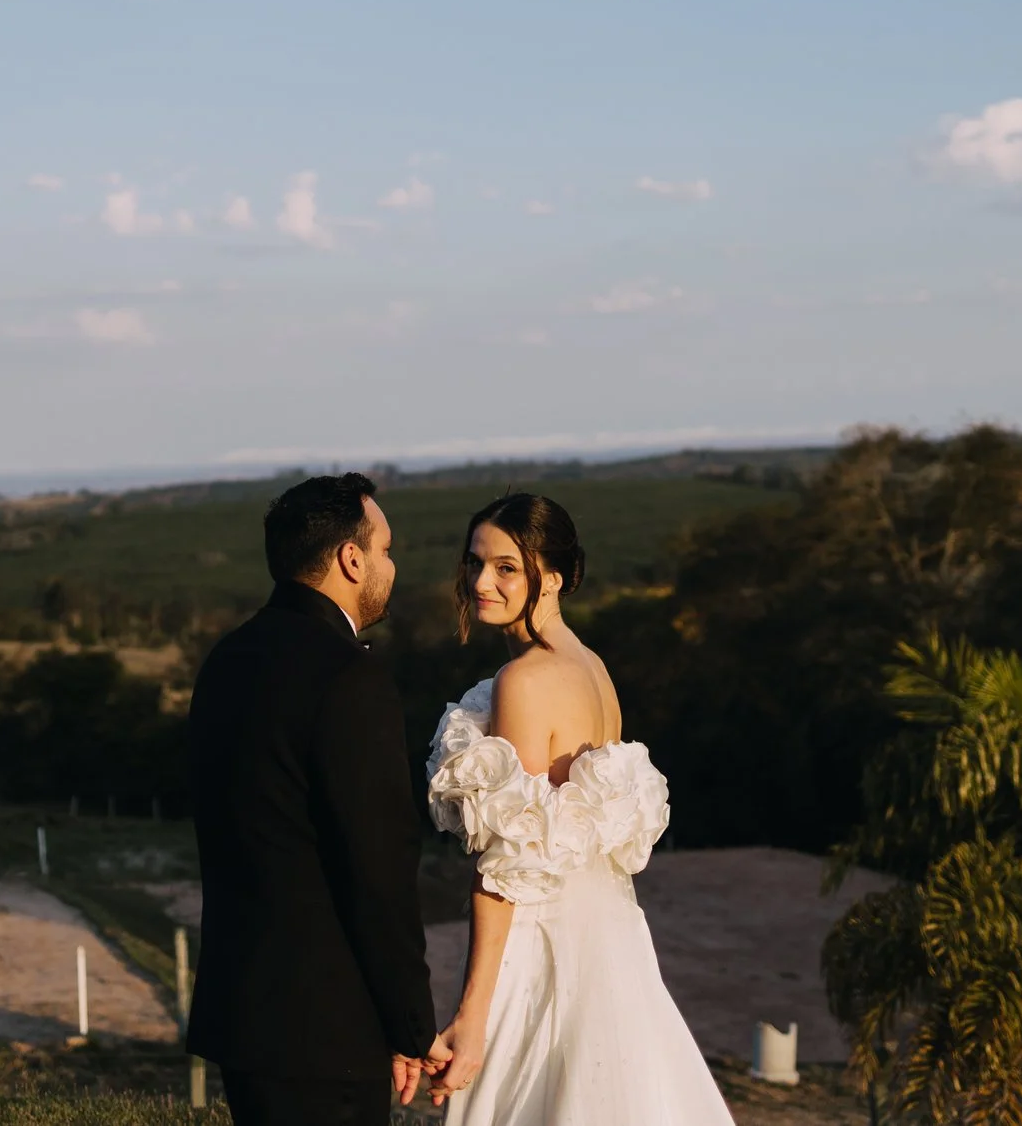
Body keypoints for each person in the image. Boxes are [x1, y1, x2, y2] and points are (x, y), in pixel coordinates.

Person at [423, 492, 733, 1124]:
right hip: (611, 938)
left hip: (546, 944)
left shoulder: (527, 681)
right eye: (476, 563)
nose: (482, 581)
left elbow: (510, 863)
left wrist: (474, 1013)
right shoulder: (592, 667)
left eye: (507, 567)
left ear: (555, 576)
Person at [186, 472, 441, 1126]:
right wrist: (411, 1024)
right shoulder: (349, 678)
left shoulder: (227, 659)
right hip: (326, 1025)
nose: (389, 564)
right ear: (350, 559)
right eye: (384, 548)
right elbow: (377, 865)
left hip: (244, 1010)